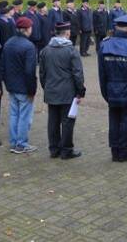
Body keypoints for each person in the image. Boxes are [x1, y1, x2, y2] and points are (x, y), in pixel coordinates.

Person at [98, 15, 127, 162]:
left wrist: (105, 93)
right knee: (125, 121)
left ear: (115, 27)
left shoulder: (104, 45)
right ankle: (123, 152)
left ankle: (114, 151)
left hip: (110, 89)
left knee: (113, 120)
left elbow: (101, 74)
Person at [40, 22, 86, 159]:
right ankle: (66, 150)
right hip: (67, 92)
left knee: (52, 121)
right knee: (67, 122)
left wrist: (46, 87)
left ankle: (54, 149)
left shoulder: (45, 50)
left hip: (51, 90)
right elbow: (78, 74)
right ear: (67, 33)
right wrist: (80, 91)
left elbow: (42, 73)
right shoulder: (71, 51)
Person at [1, 16, 38, 154]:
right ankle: (21, 144)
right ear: (27, 29)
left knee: (14, 115)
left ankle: (14, 141)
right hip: (23, 87)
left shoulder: (8, 42)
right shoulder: (29, 46)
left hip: (11, 86)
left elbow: (3, 66)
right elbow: (30, 71)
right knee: (24, 116)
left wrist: (6, 83)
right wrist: (32, 90)